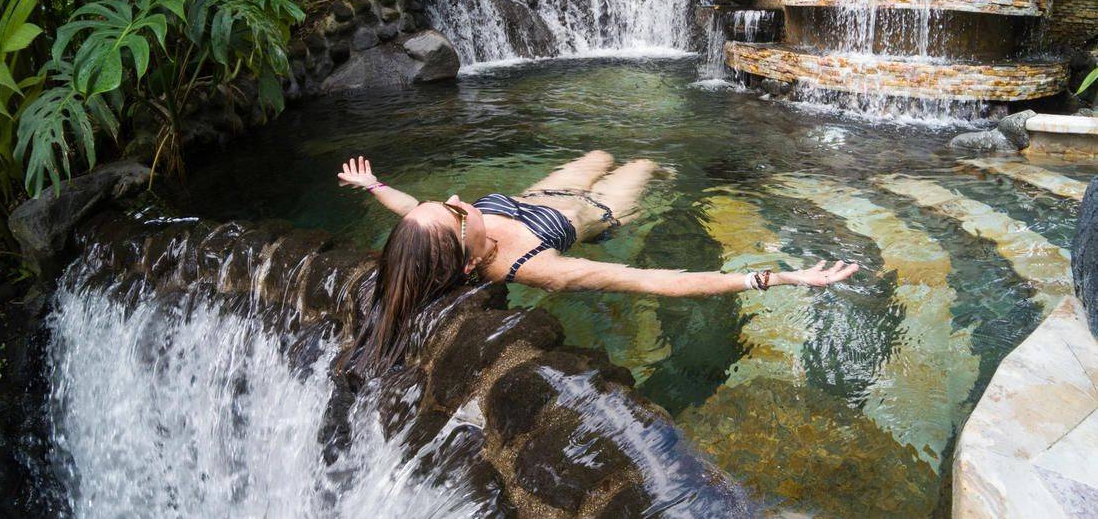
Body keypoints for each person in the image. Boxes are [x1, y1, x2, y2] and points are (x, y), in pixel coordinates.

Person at [337, 151, 859, 369]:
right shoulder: (532, 269)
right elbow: (653, 282)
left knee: (598, 157)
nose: (455, 199)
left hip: (545, 192)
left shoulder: (439, 236)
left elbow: (410, 211)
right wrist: (776, 277)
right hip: (596, 213)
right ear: (469, 265)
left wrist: (374, 185)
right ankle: (684, 183)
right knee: (643, 164)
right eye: (454, 212)